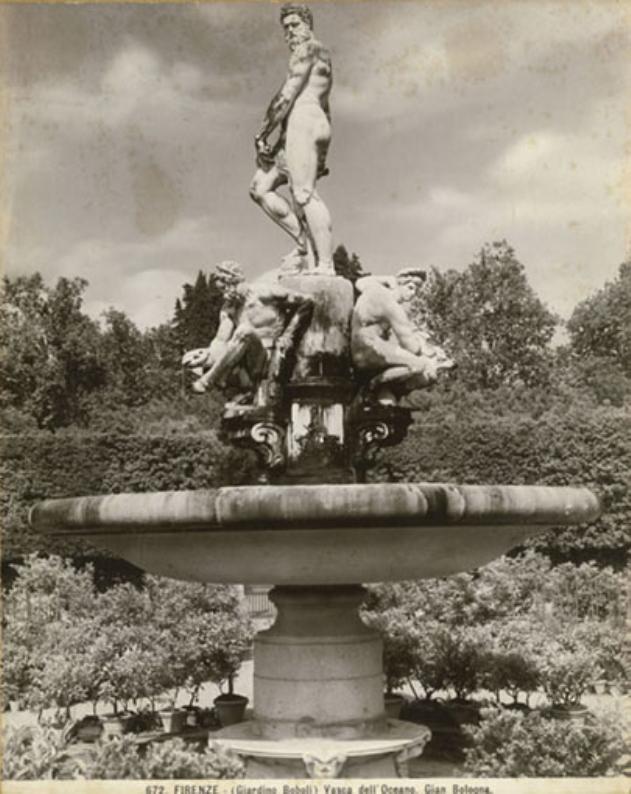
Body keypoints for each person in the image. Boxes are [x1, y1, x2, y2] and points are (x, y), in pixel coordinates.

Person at [249, 3, 334, 274]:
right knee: (260, 187)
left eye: (295, 25)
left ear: (308, 24)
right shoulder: (319, 55)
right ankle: (304, 244)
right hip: (302, 126)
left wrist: (262, 132)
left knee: (304, 194)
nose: (290, 32)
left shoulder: (309, 49)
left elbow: (287, 95)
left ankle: (325, 265)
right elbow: (326, 104)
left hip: (304, 120)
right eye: (286, 27)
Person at [182, 261, 313, 406]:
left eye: (225, 288)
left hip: (275, 355)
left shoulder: (264, 292)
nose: (224, 295)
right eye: (222, 291)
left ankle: (208, 381)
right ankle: (219, 382)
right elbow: (220, 341)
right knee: (243, 332)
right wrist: (205, 356)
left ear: (234, 280)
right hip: (249, 363)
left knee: (244, 331)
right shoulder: (229, 309)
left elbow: (307, 301)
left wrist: (288, 335)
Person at [351, 269, 454, 404]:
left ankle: (385, 395)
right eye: (410, 287)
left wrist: (388, 278)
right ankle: (373, 386)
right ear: (399, 284)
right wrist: (432, 353)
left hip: (361, 346)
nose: (413, 293)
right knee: (422, 367)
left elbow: (360, 282)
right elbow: (410, 345)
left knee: (412, 370)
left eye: (416, 290)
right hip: (369, 348)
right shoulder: (391, 306)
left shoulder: (374, 289)